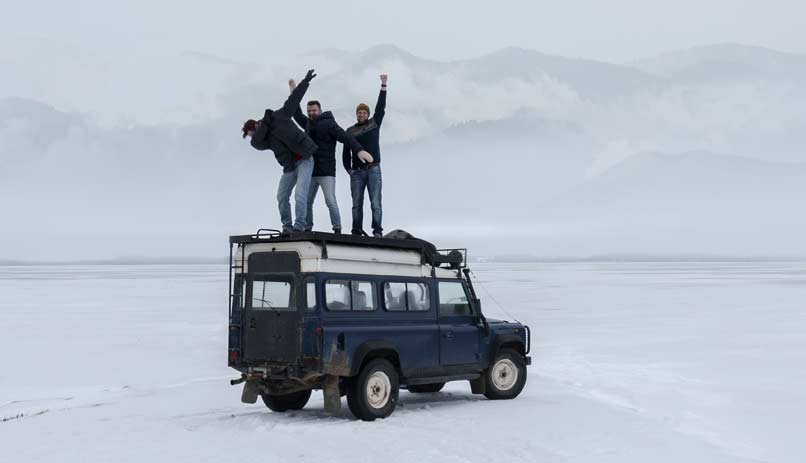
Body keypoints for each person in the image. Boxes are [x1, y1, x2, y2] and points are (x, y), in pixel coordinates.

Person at [288, 79, 373, 234]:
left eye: (314, 110)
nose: (311, 113)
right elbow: (295, 112)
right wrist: (294, 92)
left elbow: (346, 137)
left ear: (320, 110)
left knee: (330, 201)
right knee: (307, 201)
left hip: (327, 171)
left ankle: (337, 229)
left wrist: (359, 150)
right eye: (309, 111)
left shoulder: (329, 124)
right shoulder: (308, 123)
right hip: (311, 171)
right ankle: (307, 228)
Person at [242, 70, 318, 235]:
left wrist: (305, 81)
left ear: (255, 127)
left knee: (300, 194)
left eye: (250, 133)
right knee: (282, 197)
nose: (252, 138)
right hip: (290, 167)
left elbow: (294, 99)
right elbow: (256, 143)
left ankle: (299, 227)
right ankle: (287, 226)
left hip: (305, 159)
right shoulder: (263, 140)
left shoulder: (279, 115)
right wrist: (265, 125)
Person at [343, 74, 388, 237]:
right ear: (356, 114)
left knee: (375, 202)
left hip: (374, 169)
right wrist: (348, 169)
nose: (361, 114)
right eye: (359, 112)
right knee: (356, 203)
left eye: (364, 112)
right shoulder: (350, 131)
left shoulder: (374, 123)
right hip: (357, 172)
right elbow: (345, 152)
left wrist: (383, 86)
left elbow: (380, 108)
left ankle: (377, 231)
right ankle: (356, 230)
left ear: (367, 114)